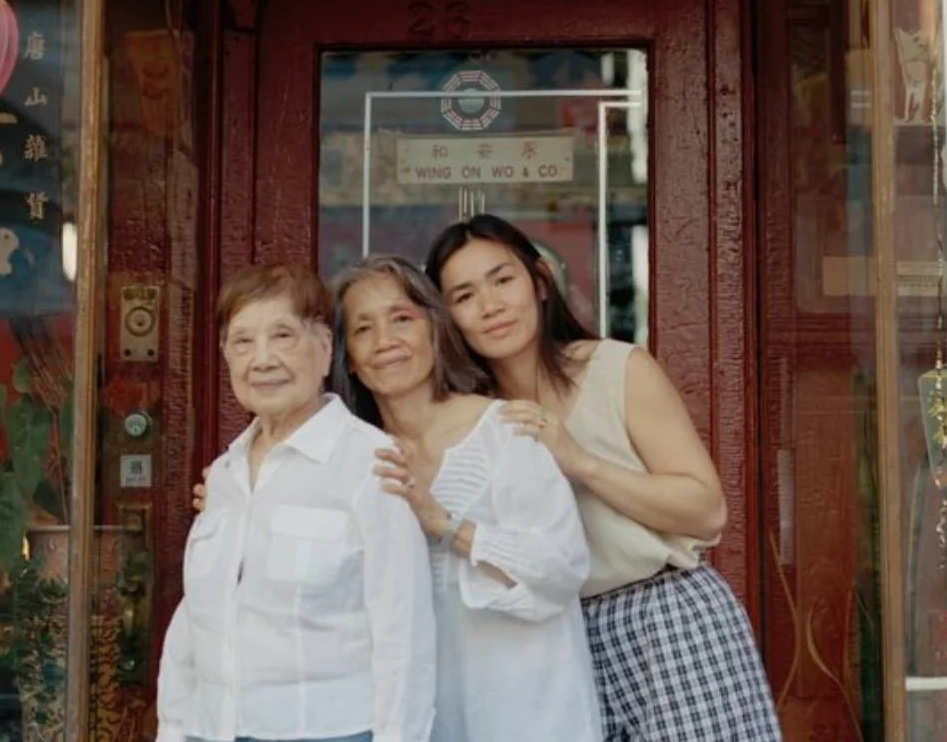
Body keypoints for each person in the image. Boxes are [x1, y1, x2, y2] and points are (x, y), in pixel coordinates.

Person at [425, 214, 782, 742]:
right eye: (464, 295)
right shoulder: (469, 420)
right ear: (447, 317)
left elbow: (706, 509)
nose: (490, 306)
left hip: (665, 617)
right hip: (547, 635)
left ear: (540, 281)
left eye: (503, 280)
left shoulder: (618, 369)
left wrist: (581, 462)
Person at [158, 263, 436, 742]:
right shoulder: (225, 474)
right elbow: (196, 623)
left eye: (283, 335)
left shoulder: (368, 464)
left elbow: (403, 637)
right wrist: (174, 730)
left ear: (325, 348)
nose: (262, 359)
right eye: (242, 342)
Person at [332, 254, 602, 742]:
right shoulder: (350, 457)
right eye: (363, 329)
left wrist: (446, 524)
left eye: (401, 319)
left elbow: (561, 568)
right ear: (348, 355)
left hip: (531, 713)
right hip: (416, 719)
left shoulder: (505, 433)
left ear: (435, 330)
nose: (385, 342)